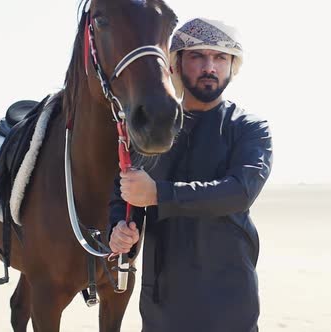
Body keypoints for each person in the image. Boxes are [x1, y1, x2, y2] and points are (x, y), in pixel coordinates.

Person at [108, 17, 272, 332]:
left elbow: (239, 192)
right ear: (176, 64)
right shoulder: (152, 132)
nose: (209, 66)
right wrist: (119, 229)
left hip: (228, 300)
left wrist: (158, 194)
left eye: (220, 57)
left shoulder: (249, 129)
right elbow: (123, 193)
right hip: (161, 305)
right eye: (197, 56)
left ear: (231, 66)